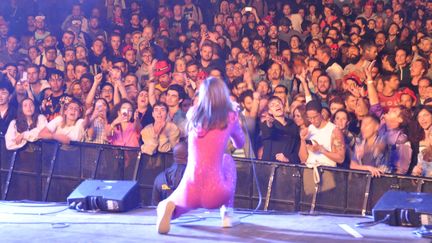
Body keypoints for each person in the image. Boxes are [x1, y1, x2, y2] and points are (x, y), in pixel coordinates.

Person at [156, 77, 245, 234]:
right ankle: (227, 214)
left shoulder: (192, 114)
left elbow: (206, 114)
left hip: (190, 190)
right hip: (217, 192)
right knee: (227, 159)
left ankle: (167, 209)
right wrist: (235, 114)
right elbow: (240, 144)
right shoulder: (230, 117)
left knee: (169, 205)